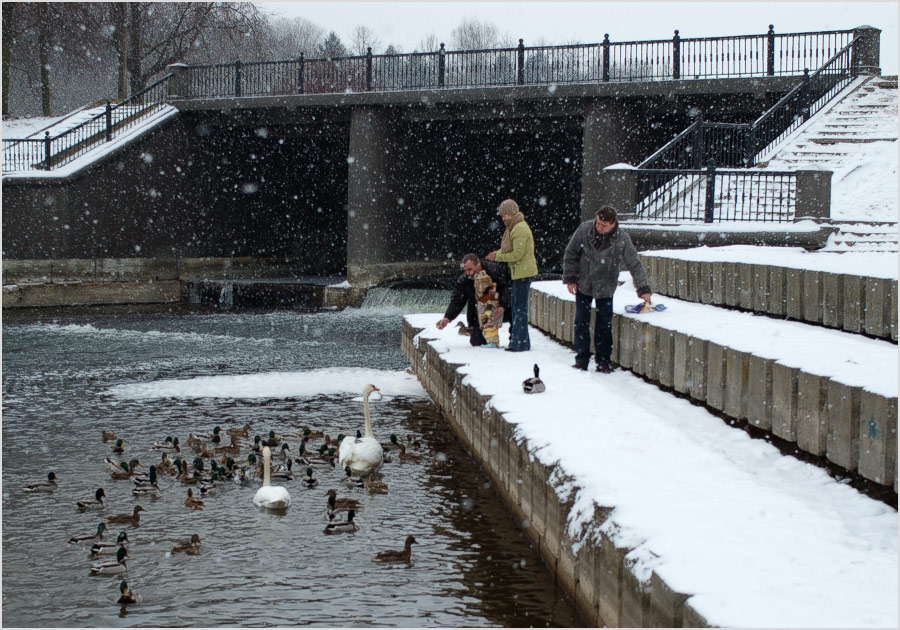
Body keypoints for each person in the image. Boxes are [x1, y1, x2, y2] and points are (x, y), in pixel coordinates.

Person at [562, 205, 651, 373]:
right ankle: (581, 359)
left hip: (606, 286)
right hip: (584, 283)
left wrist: (643, 288)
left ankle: (603, 361)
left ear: (613, 224)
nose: (599, 227)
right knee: (581, 321)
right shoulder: (584, 229)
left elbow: (634, 264)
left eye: (603, 225)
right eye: (598, 223)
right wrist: (570, 279)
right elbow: (570, 254)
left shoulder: (622, 238)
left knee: (604, 324)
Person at [484, 199, 538, 352]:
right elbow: (512, 252)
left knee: (519, 308)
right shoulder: (515, 227)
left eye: (505, 215)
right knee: (517, 307)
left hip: (523, 273)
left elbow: (516, 254)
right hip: (519, 272)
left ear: (511, 213)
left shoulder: (519, 229)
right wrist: (497, 254)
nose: (503, 219)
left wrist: (497, 257)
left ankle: (519, 343)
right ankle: (521, 341)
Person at [436, 254, 511, 347]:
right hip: (481, 312)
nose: (468, 273)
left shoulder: (494, 271)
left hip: (500, 306)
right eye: (466, 270)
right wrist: (447, 317)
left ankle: (515, 341)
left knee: (515, 313)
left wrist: (502, 306)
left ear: (478, 265)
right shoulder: (465, 279)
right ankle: (491, 344)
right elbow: (457, 300)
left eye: (470, 269)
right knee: (476, 342)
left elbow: (506, 289)